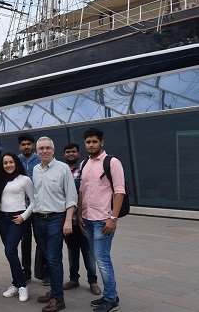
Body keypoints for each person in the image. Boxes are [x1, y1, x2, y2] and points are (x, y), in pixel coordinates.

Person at [78, 128, 125, 312]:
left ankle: (111, 299)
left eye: (94, 141)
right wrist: (79, 214)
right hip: (87, 219)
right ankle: (109, 295)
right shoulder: (84, 164)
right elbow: (81, 191)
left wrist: (113, 218)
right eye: (88, 142)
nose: (91, 144)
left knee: (102, 259)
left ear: (101, 143)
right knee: (100, 258)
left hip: (103, 220)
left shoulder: (112, 162)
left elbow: (120, 191)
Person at [33, 137, 78, 312]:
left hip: (56, 219)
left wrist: (68, 221)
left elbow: (71, 198)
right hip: (38, 219)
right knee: (48, 257)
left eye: (47, 148)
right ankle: (54, 291)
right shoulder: (36, 170)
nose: (44, 151)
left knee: (53, 258)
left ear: (53, 149)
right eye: (41, 149)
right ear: (37, 152)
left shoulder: (63, 169)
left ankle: (58, 299)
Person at [0, 152, 35, 303]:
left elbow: (33, 201)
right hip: (2, 219)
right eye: (5, 163)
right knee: (10, 253)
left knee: (9, 251)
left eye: (11, 162)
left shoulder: (24, 179)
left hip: (18, 218)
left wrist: (24, 216)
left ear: (16, 162)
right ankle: (16, 284)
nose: (8, 165)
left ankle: (23, 286)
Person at [62, 143, 101, 296]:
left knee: (88, 250)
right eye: (67, 152)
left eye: (73, 151)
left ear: (78, 153)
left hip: (85, 218)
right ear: (64, 154)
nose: (70, 154)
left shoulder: (84, 169)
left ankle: (93, 281)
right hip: (68, 220)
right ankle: (73, 279)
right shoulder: (62, 171)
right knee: (72, 250)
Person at [16, 133, 44, 284]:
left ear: (33, 145)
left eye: (29, 144)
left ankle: (44, 272)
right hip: (22, 208)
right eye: (23, 144)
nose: (26, 146)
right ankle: (26, 272)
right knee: (25, 241)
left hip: (39, 208)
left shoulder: (40, 159)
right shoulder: (16, 161)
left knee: (41, 240)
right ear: (19, 146)